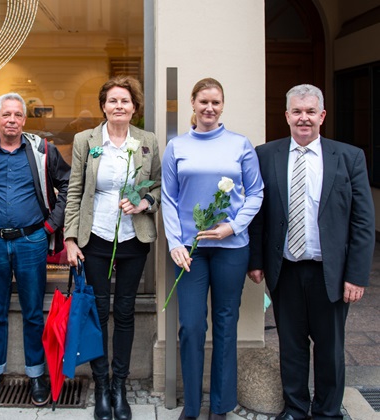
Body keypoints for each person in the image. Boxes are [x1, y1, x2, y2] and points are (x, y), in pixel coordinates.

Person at [248, 84, 375, 420]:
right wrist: (257, 262)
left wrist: (356, 275)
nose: (303, 118)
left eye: (310, 112)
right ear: (287, 115)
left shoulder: (348, 157)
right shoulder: (265, 155)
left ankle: (328, 412)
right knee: (291, 346)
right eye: (297, 111)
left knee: (330, 348)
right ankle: (295, 407)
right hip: (285, 269)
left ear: (322, 116)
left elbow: (363, 222)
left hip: (329, 271)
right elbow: (259, 215)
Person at [161, 78, 264, 420]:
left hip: (232, 248)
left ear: (223, 105)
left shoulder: (240, 145)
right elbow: (169, 198)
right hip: (191, 250)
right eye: (203, 101)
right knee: (191, 326)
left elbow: (256, 193)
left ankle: (221, 406)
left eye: (216, 102)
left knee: (225, 322)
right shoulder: (177, 146)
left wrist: (233, 227)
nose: (209, 108)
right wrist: (176, 242)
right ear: (193, 103)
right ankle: (191, 407)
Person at [64, 75, 162, 420]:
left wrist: (145, 202)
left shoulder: (147, 141)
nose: (118, 106)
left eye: (125, 101)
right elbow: (74, 191)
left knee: (124, 312)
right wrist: (70, 239)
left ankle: (120, 387)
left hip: (133, 240)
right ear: (103, 106)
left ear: (134, 107)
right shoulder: (85, 141)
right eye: (112, 101)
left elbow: (160, 187)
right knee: (98, 311)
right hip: (96, 238)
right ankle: (102, 385)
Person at [0, 92, 70, 408]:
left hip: (31, 242)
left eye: (17, 115)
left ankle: (36, 375)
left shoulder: (42, 151)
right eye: (6, 114)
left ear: (24, 120)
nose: (12, 120)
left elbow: (69, 185)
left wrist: (50, 226)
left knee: (32, 313)